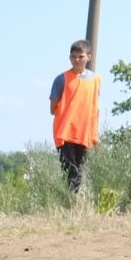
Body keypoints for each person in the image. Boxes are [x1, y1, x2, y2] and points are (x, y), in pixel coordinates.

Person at [49, 40, 101, 195]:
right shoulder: (61, 79)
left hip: (85, 133)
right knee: (71, 171)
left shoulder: (96, 80)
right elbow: (53, 108)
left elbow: (94, 107)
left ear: (89, 57)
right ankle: (72, 203)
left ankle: (75, 202)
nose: (76, 60)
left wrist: (94, 133)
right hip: (65, 132)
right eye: (73, 56)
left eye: (80, 56)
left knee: (80, 170)